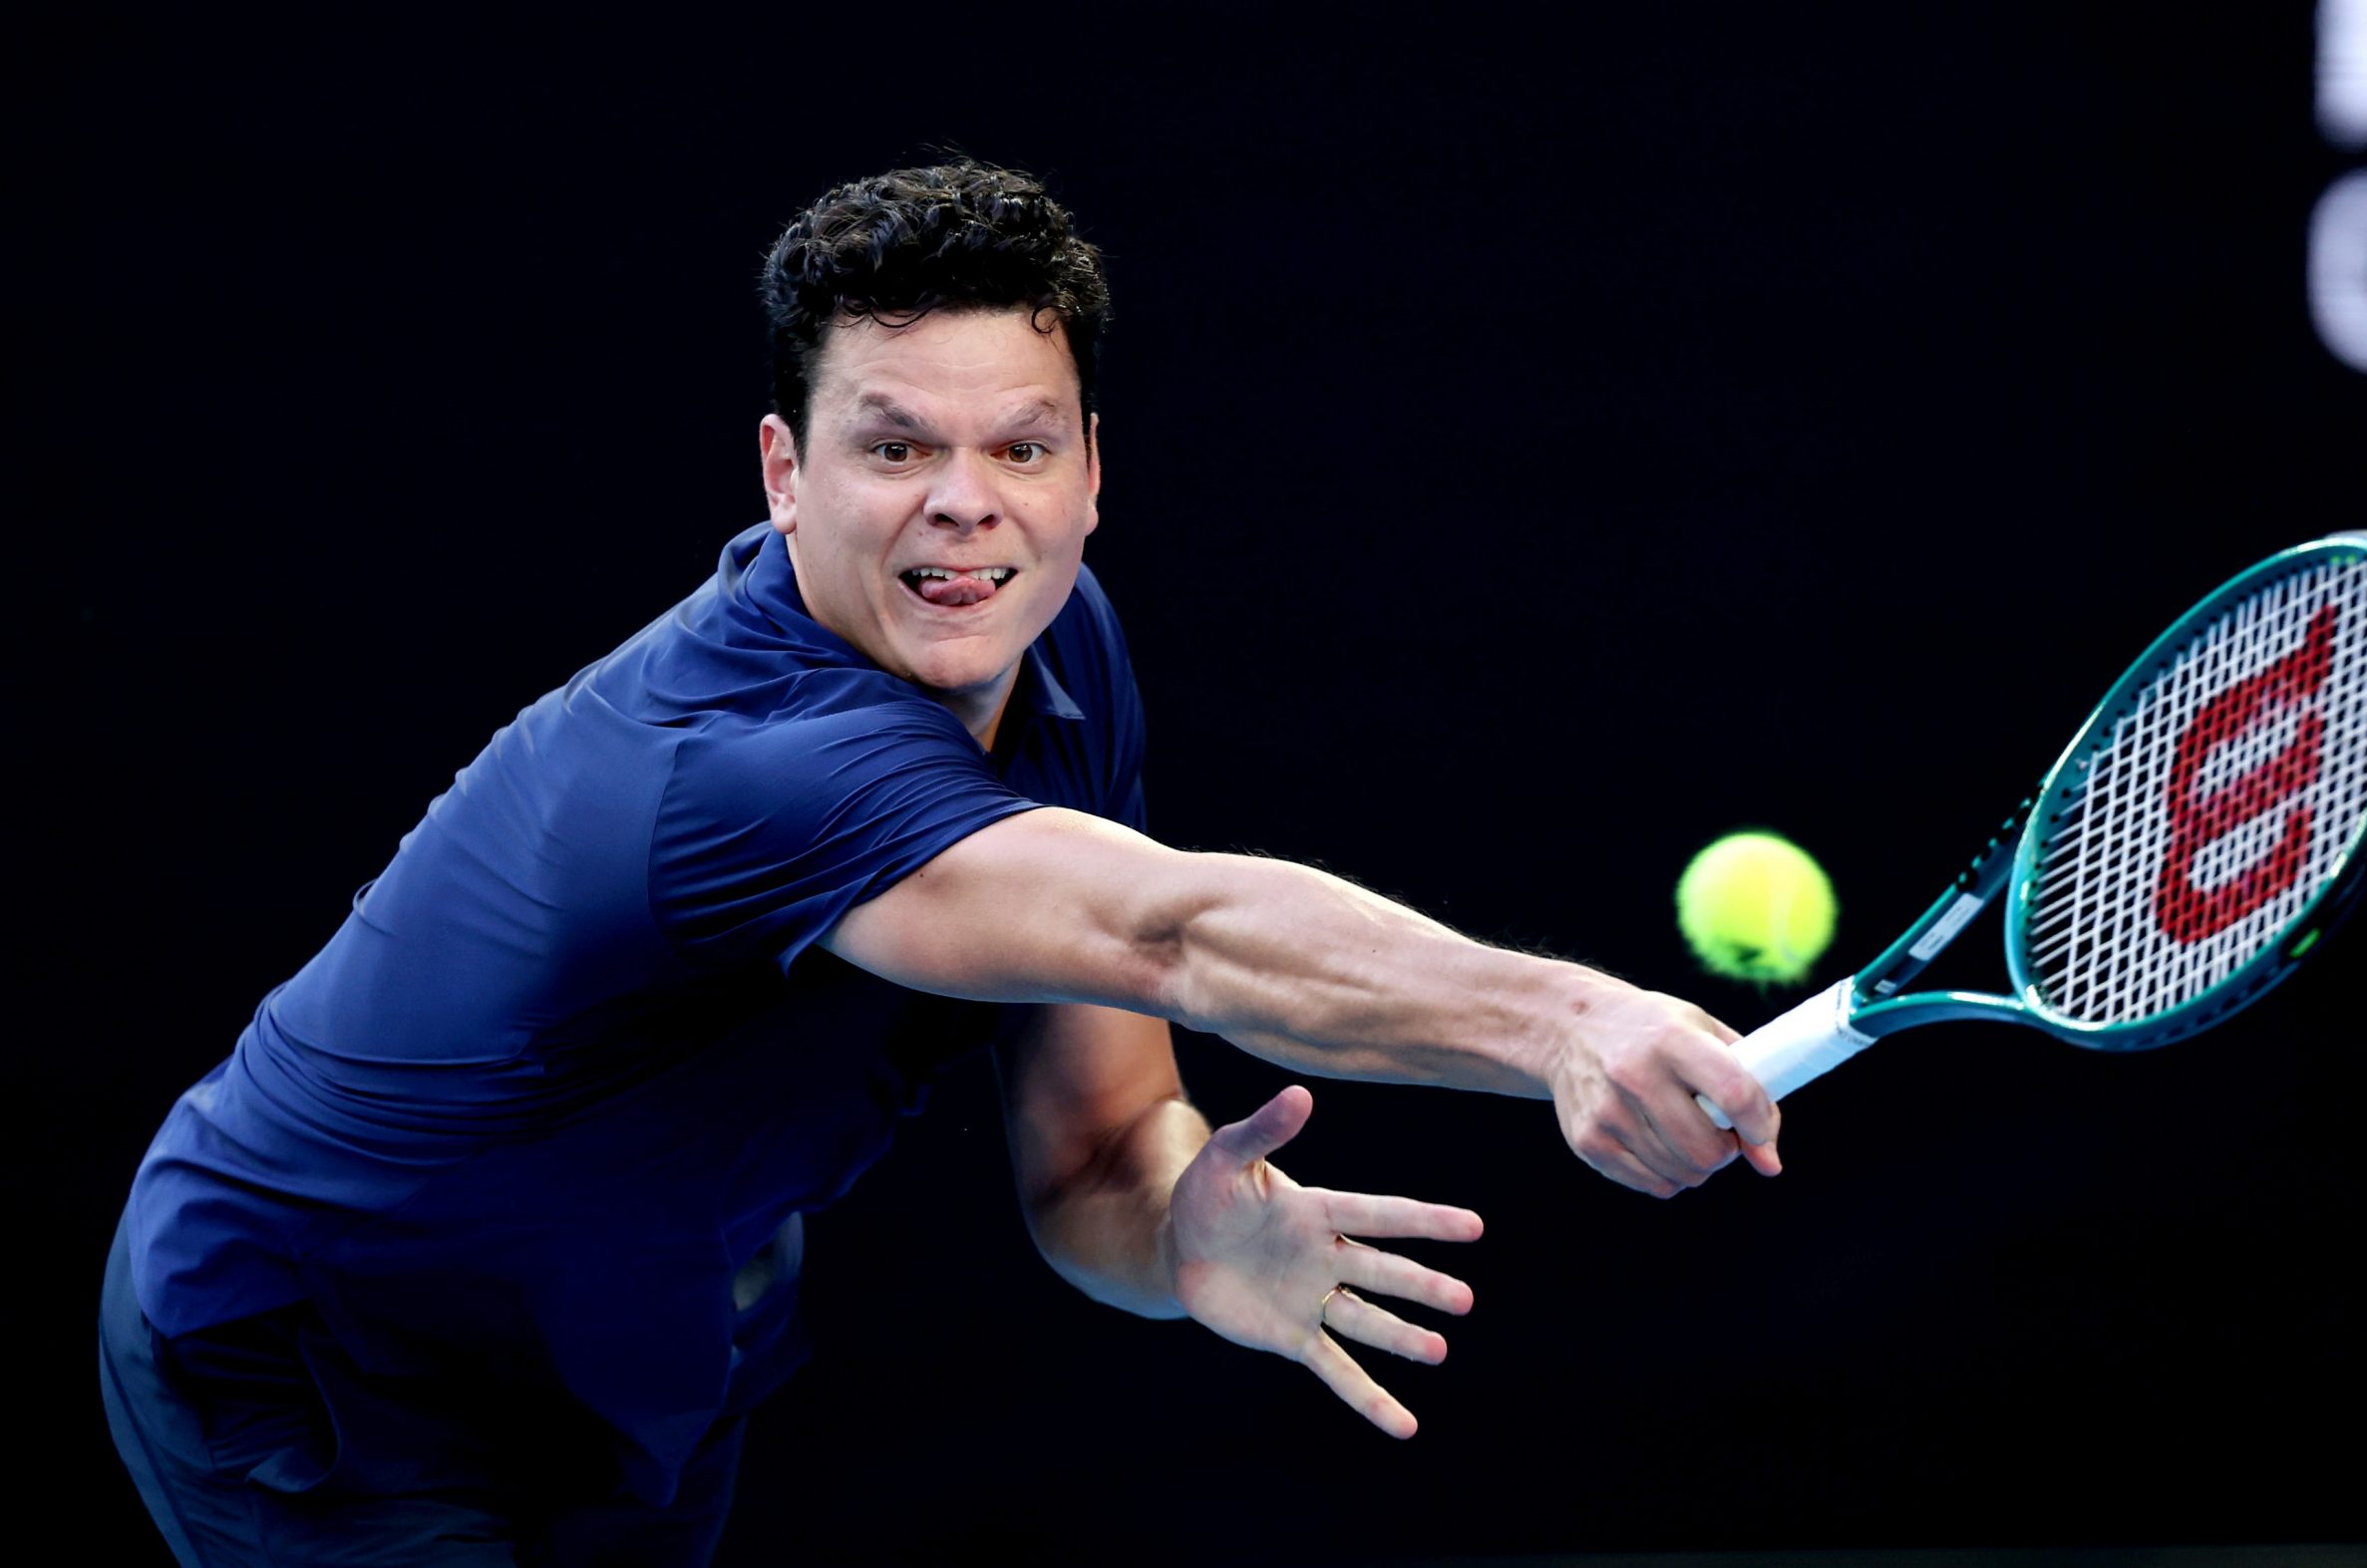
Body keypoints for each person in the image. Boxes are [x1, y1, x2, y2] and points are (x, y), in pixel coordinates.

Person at [100, 159, 1784, 1567]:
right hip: (323, 1353)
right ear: (784, 474)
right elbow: (1174, 934)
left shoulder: (1055, 650)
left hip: (641, 1342)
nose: (965, 507)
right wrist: (1564, 1018)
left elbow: (1101, 1144)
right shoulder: (737, 769)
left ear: (1093, 472)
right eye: (896, 447)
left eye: (1022, 448)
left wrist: (1181, 1240)